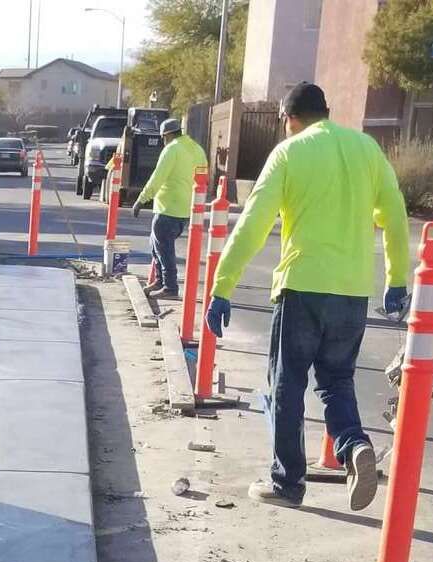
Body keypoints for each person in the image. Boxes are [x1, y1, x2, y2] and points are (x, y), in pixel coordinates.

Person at [204, 81, 409, 512]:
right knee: (336, 381)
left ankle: (288, 482)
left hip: (302, 289)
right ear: (327, 112)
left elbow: (253, 224)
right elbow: (394, 214)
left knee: (287, 384)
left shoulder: (289, 153)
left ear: (289, 119)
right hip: (353, 292)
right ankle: (353, 445)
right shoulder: (367, 150)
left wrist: (223, 286)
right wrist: (396, 280)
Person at [132, 118, 208, 300]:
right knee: (156, 244)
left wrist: (141, 200)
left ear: (166, 135)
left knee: (164, 249)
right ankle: (160, 281)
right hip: (186, 209)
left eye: (162, 138)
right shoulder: (197, 149)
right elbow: (203, 178)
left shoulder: (171, 149)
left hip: (168, 208)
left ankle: (170, 287)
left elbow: (157, 178)